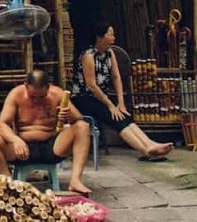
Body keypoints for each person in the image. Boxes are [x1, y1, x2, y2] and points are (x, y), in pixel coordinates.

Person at [0, 69, 94, 195]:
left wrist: (68, 113)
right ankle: (7, 180)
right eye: (33, 97)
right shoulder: (16, 94)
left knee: (83, 127)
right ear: (26, 86)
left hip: (52, 147)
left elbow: (78, 120)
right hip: (21, 148)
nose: (38, 100)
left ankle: (75, 181)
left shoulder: (58, 94)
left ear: (48, 88)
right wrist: (15, 140)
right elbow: (3, 124)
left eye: (42, 97)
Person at [71, 21, 174, 160]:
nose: (114, 37)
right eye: (110, 34)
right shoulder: (88, 55)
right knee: (115, 117)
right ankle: (145, 150)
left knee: (124, 115)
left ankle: (150, 143)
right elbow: (92, 86)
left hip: (101, 98)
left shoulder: (109, 53)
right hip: (84, 99)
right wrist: (111, 105)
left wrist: (120, 103)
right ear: (99, 37)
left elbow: (116, 77)